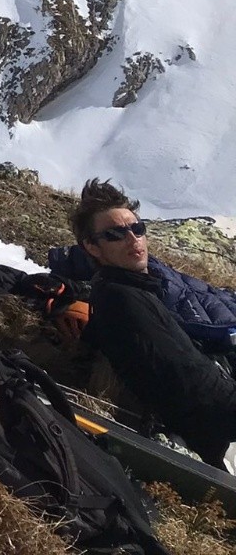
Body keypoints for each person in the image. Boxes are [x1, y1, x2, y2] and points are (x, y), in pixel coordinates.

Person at [54, 179, 236, 466]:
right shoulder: (122, 300)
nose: (133, 239)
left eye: (137, 229)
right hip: (216, 433)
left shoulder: (136, 287)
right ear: (92, 247)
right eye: (115, 234)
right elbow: (189, 382)